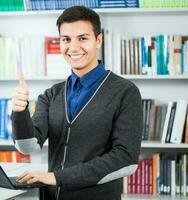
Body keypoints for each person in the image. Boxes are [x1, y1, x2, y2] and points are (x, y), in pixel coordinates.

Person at [11, 5, 143, 200]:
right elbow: (28, 147)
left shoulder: (125, 92)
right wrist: (19, 112)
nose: (73, 47)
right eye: (66, 39)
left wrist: (57, 177)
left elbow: (125, 160)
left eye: (82, 38)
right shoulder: (51, 94)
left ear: (98, 40)